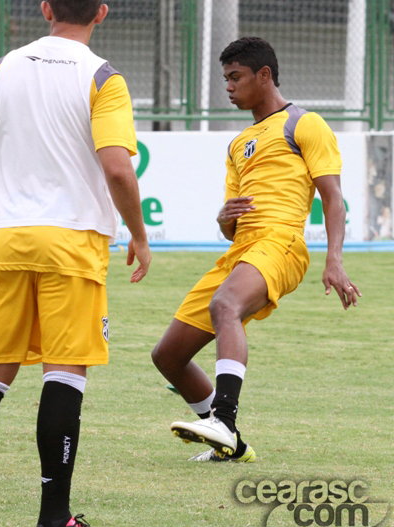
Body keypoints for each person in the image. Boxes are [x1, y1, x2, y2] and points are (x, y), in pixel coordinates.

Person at [0, 1, 150, 527]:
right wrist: (138, 234)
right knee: (64, 379)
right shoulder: (103, 77)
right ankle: (53, 519)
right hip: (73, 245)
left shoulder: (4, 67)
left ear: (45, 7)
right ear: (103, 13)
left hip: (10, 241)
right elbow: (117, 168)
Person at [152, 37, 361, 463]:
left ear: (264, 76)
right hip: (243, 249)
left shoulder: (304, 124)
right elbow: (231, 229)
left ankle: (224, 422)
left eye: (235, 77)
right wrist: (222, 218)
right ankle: (227, 444)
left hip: (281, 242)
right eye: (225, 79)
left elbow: (332, 197)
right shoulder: (238, 144)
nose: (228, 87)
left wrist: (333, 260)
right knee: (168, 356)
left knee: (226, 304)